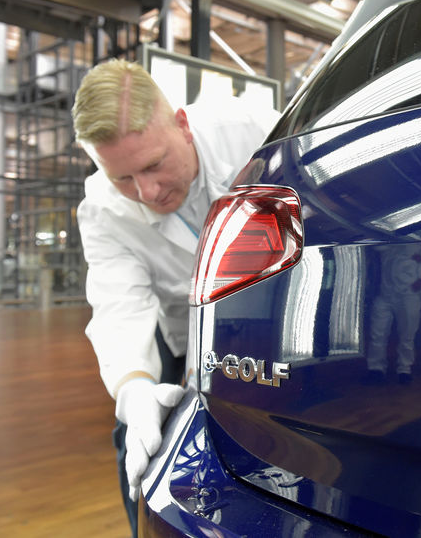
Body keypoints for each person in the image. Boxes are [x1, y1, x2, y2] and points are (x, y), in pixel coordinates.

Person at [72, 58, 280, 536]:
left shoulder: (254, 132)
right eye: (121, 178)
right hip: (176, 329)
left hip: (266, 313)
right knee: (140, 437)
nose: (145, 192)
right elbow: (119, 306)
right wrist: (134, 389)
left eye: (152, 165)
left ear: (183, 126)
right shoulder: (102, 212)